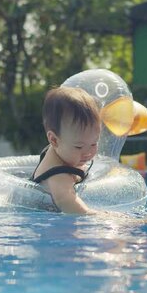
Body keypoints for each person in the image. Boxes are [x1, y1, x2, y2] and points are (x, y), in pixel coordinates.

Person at [32, 86, 101, 214]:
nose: (88, 152)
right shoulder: (58, 175)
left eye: (93, 144)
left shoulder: (61, 152)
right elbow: (66, 201)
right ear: (54, 140)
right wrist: (106, 217)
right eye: (79, 146)